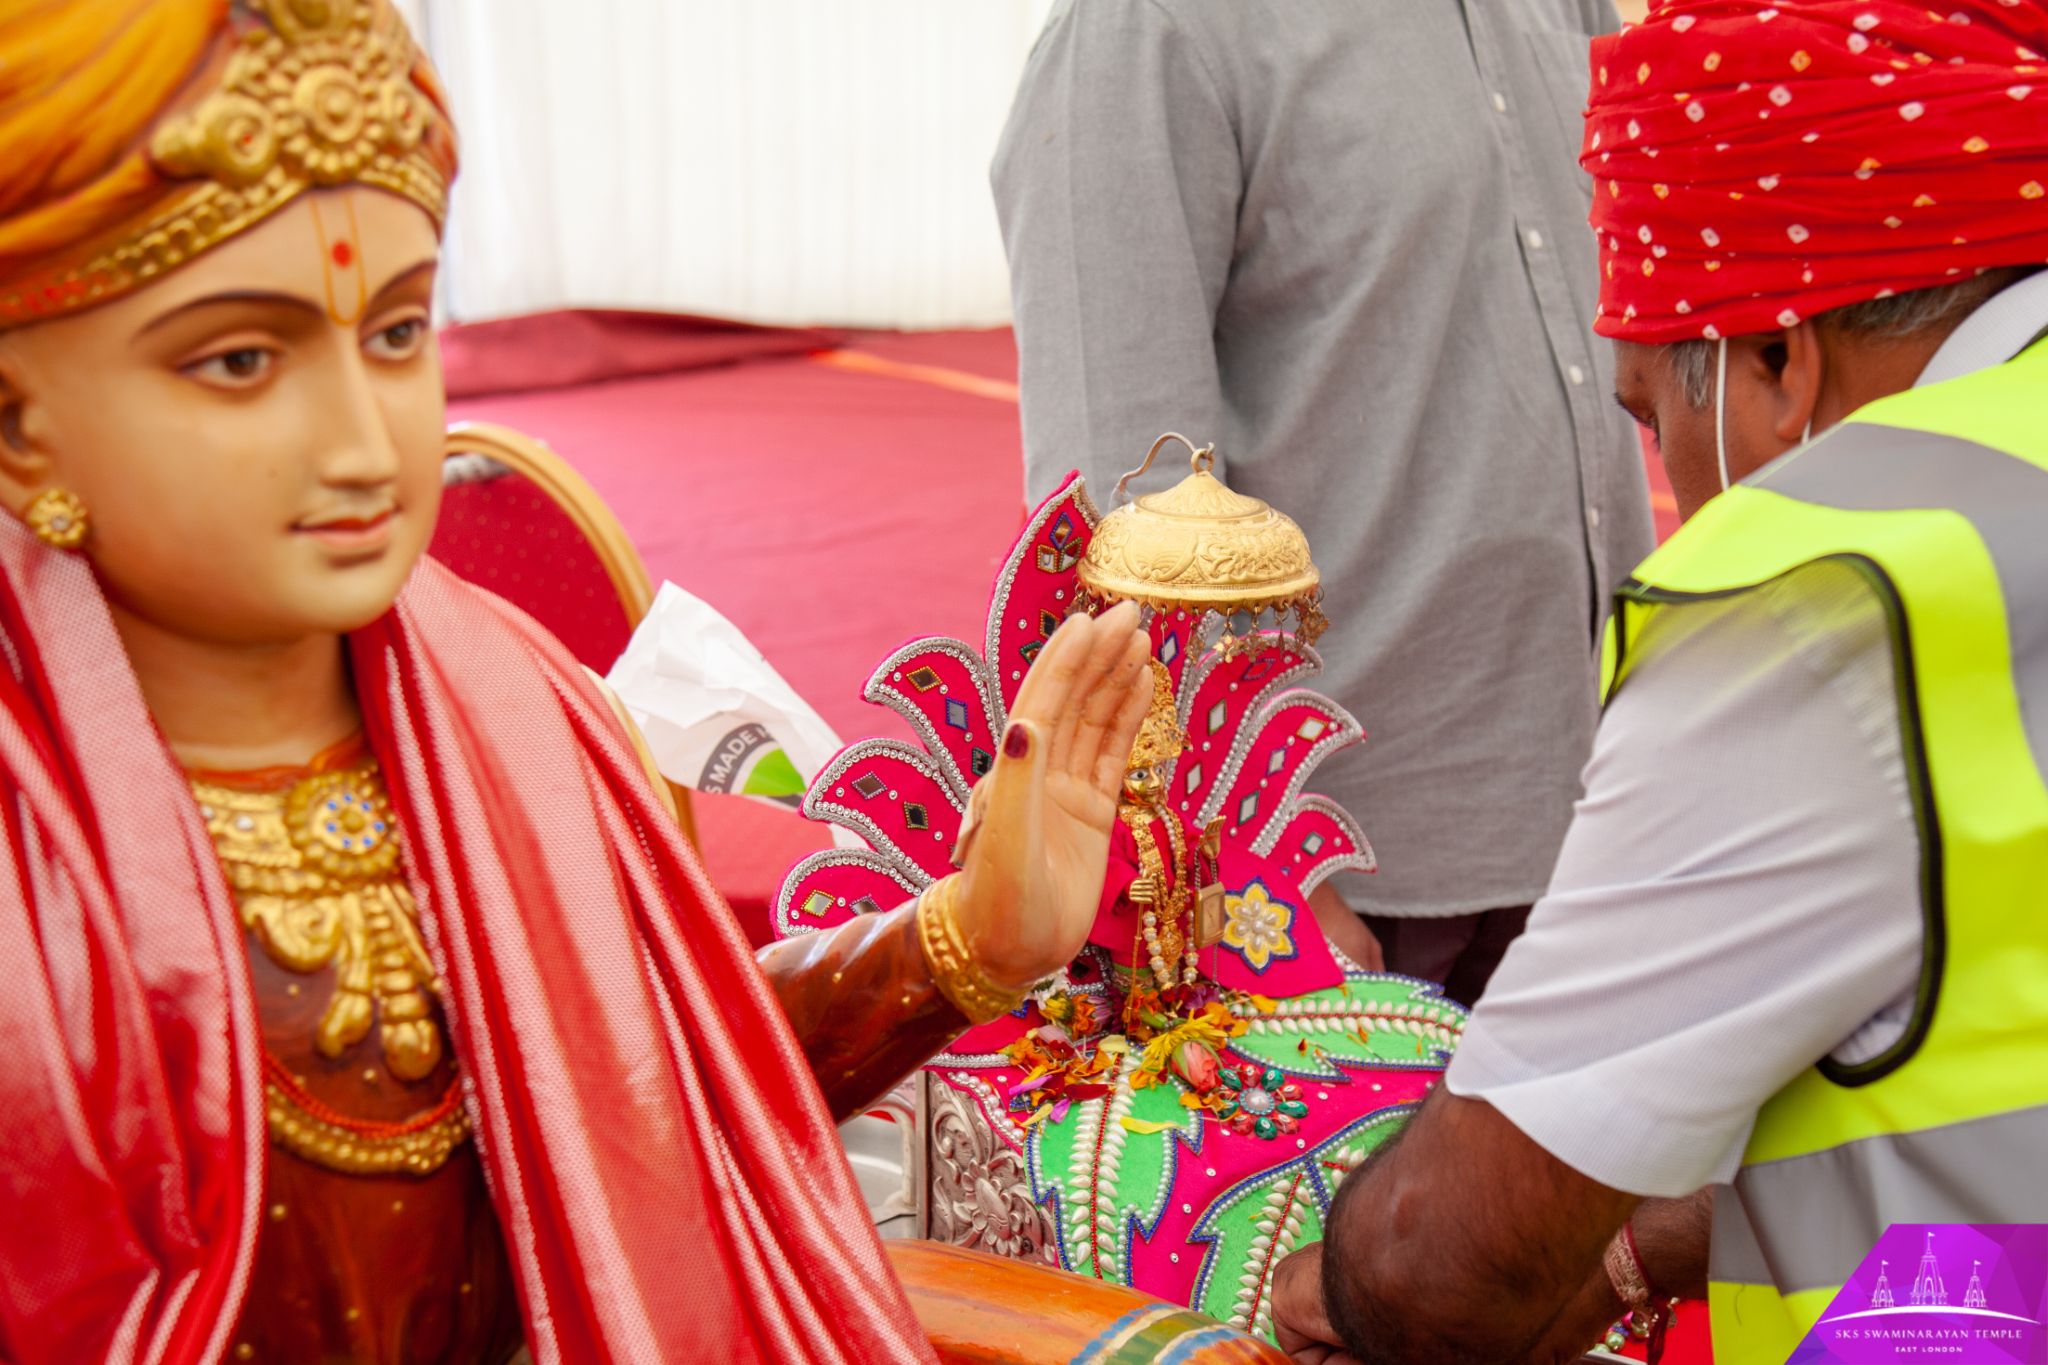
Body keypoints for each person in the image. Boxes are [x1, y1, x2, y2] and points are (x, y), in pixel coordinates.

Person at [0, 3, 1160, 1362]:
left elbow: (655, 1094)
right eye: (243, 360)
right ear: (23, 429)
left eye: (393, 333)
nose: (366, 444)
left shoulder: (518, 715)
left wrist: (972, 937)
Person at [1265, 2, 2048, 1361]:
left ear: (1778, 361)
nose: (1674, 482)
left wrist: (1343, 1286)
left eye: (1653, 413)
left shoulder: (1834, 592)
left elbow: (1446, 1268)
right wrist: (1646, 1240)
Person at [991, 0, 1657, 1003]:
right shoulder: (1147, 29)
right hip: (1349, 877)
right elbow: (1119, 509)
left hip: (1602, 817)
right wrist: (1260, 865)